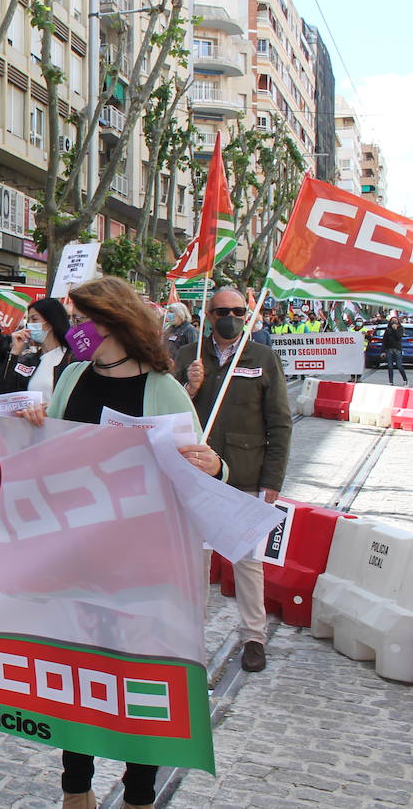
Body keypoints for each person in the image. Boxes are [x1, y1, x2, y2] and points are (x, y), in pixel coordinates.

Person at [17, 277, 226, 809]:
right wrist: (35, 426)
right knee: (76, 675)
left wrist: (217, 465)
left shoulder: (163, 388)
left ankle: (137, 795)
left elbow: (197, 476)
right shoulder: (72, 378)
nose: (71, 329)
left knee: (139, 684)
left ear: (111, 323)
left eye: (81, 318)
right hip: (76, 560)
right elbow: (47, 461)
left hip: (143, 571)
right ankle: (76, 790)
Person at [177, 287, 291, 673]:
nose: (231, 317)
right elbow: (169, 414)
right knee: (197, 561)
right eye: (222, 310)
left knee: (247, 559)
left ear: (248, 316)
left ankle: (253, 637)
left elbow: (279, 423)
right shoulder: (189, 356)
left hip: (245, 472)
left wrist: (271, 480)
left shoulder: (263, 357)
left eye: (239, 311)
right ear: (208, 315)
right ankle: (191, 640)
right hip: (196, 473)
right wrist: (190, 388)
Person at [0, 297, 74, 397]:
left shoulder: (71, 359)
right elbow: (3, 390)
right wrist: (14, 352)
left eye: (34, 319)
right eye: (28, 320)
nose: (30, 325)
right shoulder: (29, 361)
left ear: (51, 322)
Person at [382, 311, 407, 385]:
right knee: (390, 366)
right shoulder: (387, 329)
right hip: (389, 349)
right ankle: (391, 382)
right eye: (392, 321)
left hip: (397, 349)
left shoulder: (401, 328)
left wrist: (395, 329)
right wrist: (383, 351)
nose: (394, 322)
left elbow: (398, 337)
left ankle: (405, 380)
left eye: (395, 321)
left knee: (399, 366)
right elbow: (384, 340)